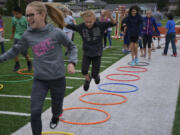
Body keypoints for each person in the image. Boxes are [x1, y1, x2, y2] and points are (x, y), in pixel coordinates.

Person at [0, 1, 77, 135]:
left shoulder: (56, 32)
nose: (28, 19)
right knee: (35, 112)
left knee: (57, 109)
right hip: (39, 80)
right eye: (27, 15)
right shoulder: (27, 35)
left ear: (42, 15)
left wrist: (72, 62)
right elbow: (14, 51)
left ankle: (55, 115)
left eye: (31, 15)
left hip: (58, 79)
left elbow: (72, 46)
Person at [65, 10, 116, 91]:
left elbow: (114, 24)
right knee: (84, 70)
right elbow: (70, 26)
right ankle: (87, 79)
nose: (88, 24)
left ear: (94, 20)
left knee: (95, 73)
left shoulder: (100, 25)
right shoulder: (81, 27)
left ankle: (96, 76)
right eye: (86, 22)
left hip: (97, 52)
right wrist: (59, 19)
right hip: (87, 52)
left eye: (90, 22)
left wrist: (110, 17)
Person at [11, 7, 32, 71]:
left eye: (17, 14)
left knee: (24, 53)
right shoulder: (13, 19)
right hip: (17, 37)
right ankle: (17, 64)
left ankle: (29, 62)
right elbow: (13, 27)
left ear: (21, 13)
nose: (15, 16)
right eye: (14, 14)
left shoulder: (25, 19)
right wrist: (12, 34)